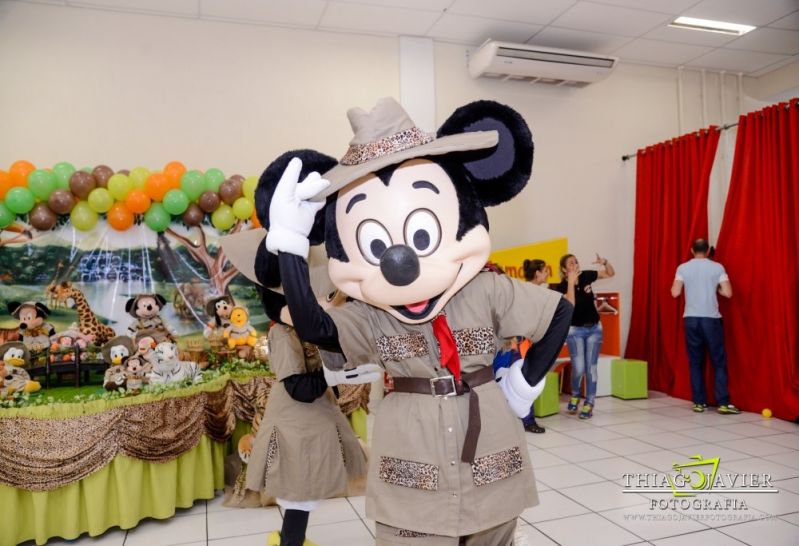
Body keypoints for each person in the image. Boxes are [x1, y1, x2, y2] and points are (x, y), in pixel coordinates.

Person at [671, 239, 739, 414]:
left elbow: (675, 292)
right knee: (718, 361)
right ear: (708, 250)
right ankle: (723, 402)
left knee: (695, 362)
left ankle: (699, 402)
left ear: (692, 250)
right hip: (711, 319)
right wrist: (715, 289)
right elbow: (729, 293)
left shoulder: (682, 268)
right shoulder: (718, 268)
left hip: (691, 319)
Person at [556, 253, 614, 419]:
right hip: (575, 331)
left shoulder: (587, 276)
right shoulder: (560, 288)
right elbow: (570, 304)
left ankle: (589, 403)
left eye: (576, 261)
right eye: (571, 263)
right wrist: (571, 283)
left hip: (594, 329)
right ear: (564, 269)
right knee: (579, 367)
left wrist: (605, 262)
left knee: (591, 369)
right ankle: (575, 394)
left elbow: (610, 273)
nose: (575, 264)